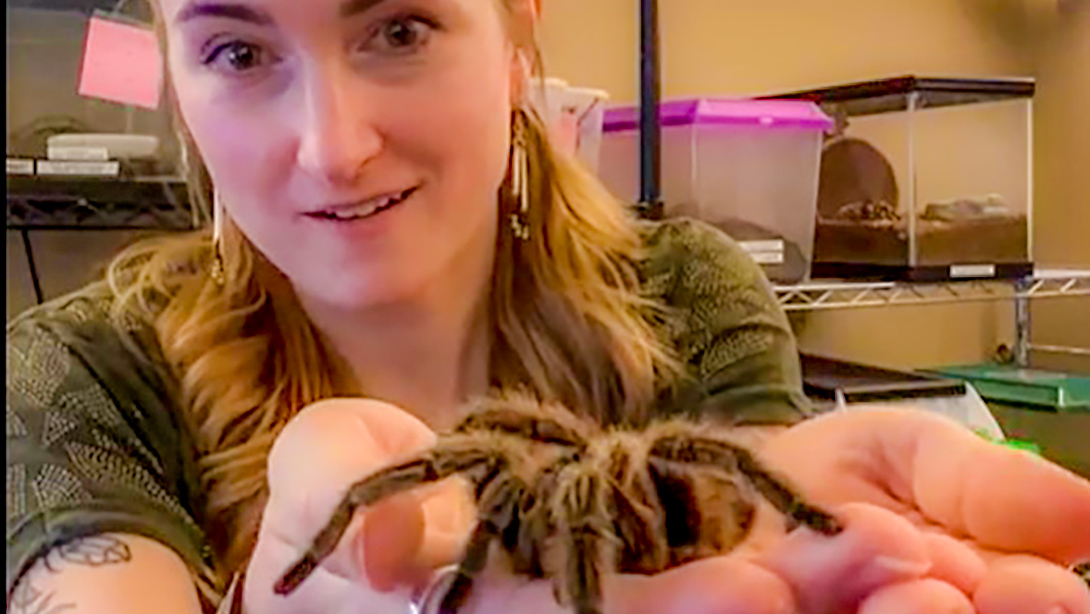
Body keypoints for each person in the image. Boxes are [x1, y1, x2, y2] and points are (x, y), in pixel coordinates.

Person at [5, 0, 1089, 612]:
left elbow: (745, 474)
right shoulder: (75, 372)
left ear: (518, 35)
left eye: (398, 27)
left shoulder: (684, 292)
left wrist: (804, 539)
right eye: (237, 52)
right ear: (178, 85)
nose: (332, 147)